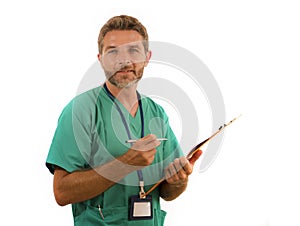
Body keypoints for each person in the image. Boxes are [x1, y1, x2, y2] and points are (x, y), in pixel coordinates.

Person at [46, 15, 201, 226]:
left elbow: (167, 193)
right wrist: (125, 163)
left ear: (147, 57)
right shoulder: (80, 111)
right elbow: (62, 192)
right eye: (113, 51)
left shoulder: (156, 112)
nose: (124, 60)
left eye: (133, 50)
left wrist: (179, 181)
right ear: (100, 58)